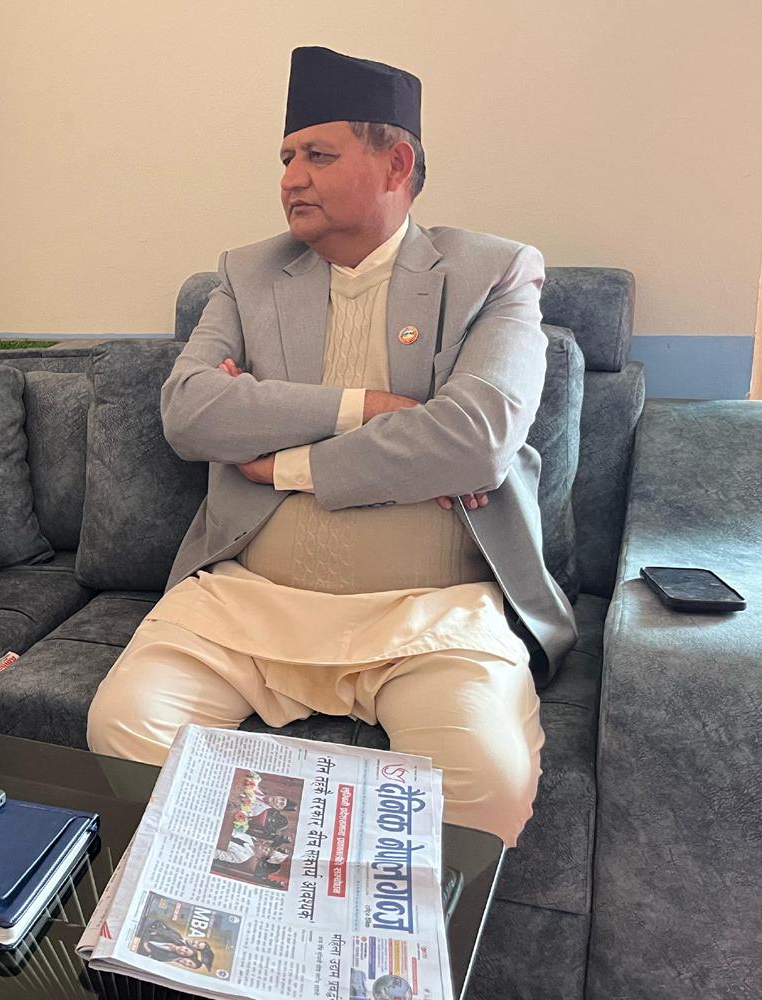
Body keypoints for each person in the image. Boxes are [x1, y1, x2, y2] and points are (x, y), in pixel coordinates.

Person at [87, 47, 577, 847]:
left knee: (487, 780)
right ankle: (238, 911)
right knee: (125, 726)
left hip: (429, 617)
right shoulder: (247, 276)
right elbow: (189, 413)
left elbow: (475, 438)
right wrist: (370, 408)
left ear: (397, 164)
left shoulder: (492, 276)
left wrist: (284, 461)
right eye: (286, 158)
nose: (291, 178)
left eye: (317, 155)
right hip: (248, 604)